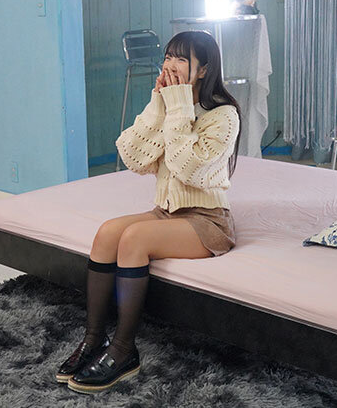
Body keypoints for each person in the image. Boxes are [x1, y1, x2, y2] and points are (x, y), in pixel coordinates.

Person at [56, 30, 242, 394]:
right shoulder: (169, 105)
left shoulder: (224, 115)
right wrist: (159, 104)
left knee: (134, 239)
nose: (170, 65)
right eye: (168, 57)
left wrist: (179, 106)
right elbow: (133, 158)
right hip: (166, 212)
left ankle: (124, 349)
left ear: (204, 69)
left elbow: (188, 169)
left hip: (208, 221)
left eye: (181, 59)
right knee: (107, 233)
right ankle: (93, 339)